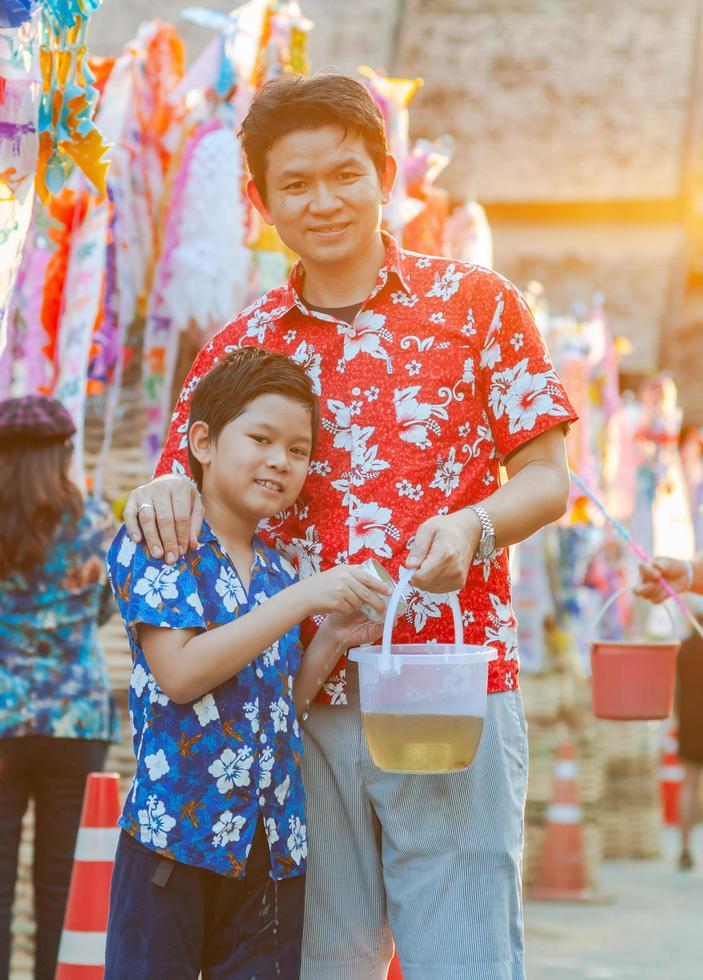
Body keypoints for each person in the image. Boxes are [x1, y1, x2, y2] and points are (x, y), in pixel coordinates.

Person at [122, 74, 578, 980]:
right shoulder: (238, 347)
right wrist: (155, 491)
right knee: (326, 959)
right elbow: (186, 480)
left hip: (449, 682)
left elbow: (546, 480)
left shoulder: (478, 307)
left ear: (384, 175)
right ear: (259, 204)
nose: (323, 202)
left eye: (344, 175)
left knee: (463, 953)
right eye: (295, 185)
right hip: (295, 702)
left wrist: (472, 528)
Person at [104, 348, 389, 979]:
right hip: (172, 844)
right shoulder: (161, 542)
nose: (280, 462)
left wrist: (332, 636)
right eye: (261, 438)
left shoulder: (278, 565)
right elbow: (180, 675)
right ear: (203, 441)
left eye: (298, 450)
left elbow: (282, 701)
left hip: (269, 854)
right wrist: (303, 601)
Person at [0, 395, 117, 980]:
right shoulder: (96, 521)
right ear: (64, 450)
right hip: (75, 719)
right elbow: (102, 609)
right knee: (61, 885)